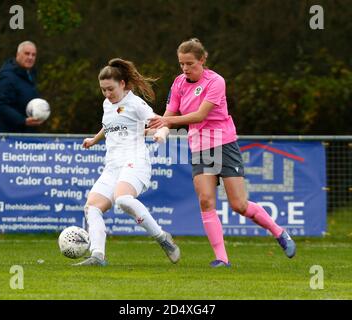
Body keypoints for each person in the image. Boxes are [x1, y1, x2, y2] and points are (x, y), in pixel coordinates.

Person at [149, 38, 296, 268]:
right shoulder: (178, 83)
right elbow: (169, 113)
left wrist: (166, 121)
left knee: (239, 204)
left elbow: (199, 115)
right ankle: (222, 259)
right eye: (181, 64)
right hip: (199, 147)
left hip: (223, 144)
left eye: (190, 64)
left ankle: (279, 232)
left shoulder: (216, 81)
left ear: (202, 60)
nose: (185, 69)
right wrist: (159, 130)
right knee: (206, 201)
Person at [73, 58, 180, 266]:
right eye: (103, 90)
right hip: (112, 165)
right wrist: (94, 140)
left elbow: (162, 122)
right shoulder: (107, 104)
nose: (107, 94)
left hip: (135, 161)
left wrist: (161, 134)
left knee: (122, 199)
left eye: (110, 89)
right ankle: (97, 256)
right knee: (92, 207)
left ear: (122, 84)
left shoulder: (135, 104)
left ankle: (162, 238)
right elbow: (110, 125)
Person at [0, 41, 44, 133]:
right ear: (18, 54)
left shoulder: (31, 74)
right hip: (7, 137)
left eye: (33, 55)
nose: (30, 57)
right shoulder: (7, 77)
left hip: (26, 135)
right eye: (27, 54)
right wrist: (23, 121)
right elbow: (2, 105)